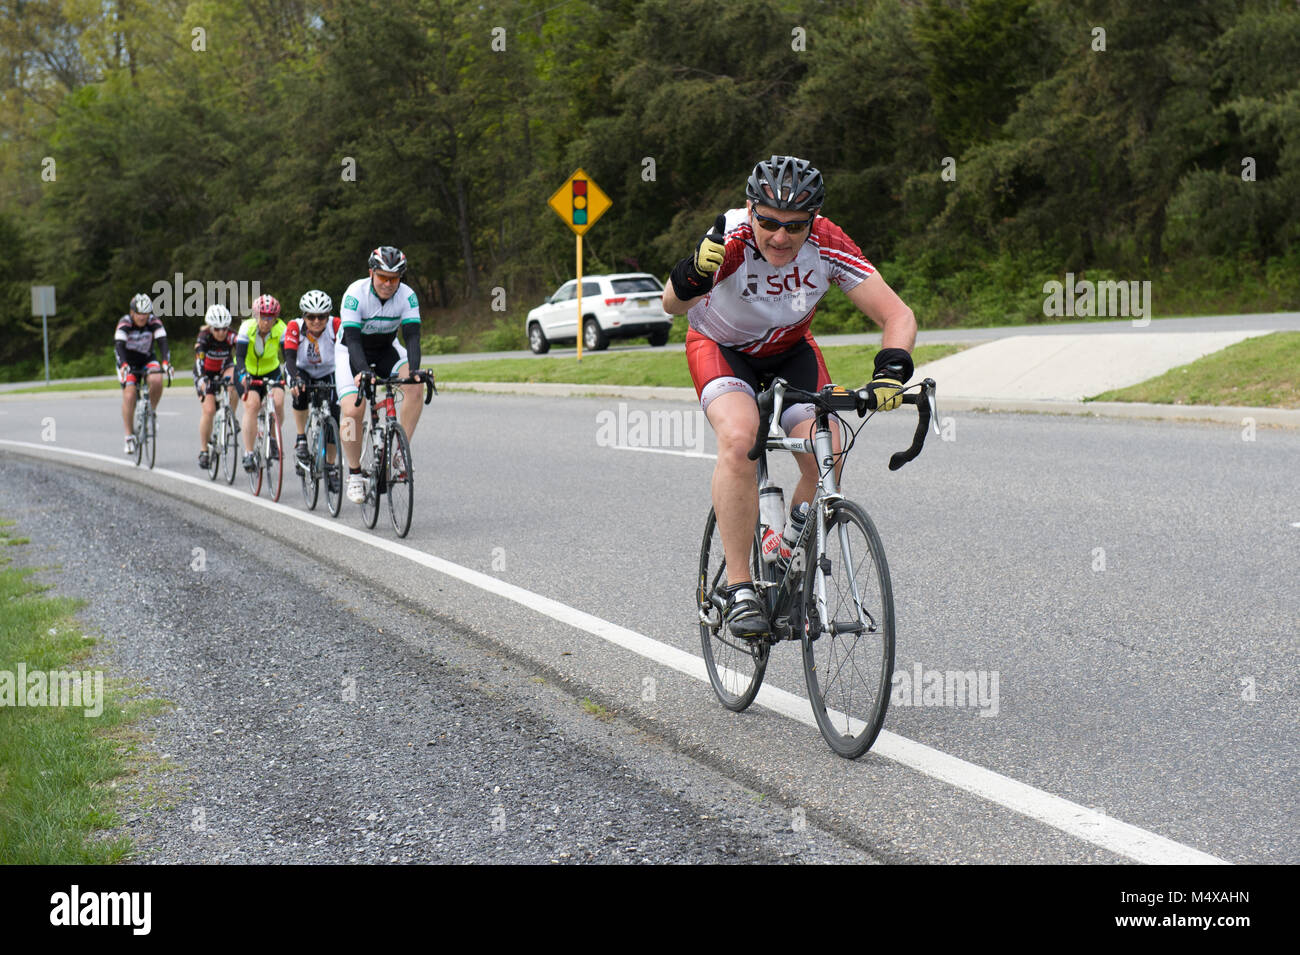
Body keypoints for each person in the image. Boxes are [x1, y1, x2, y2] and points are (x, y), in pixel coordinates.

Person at [661, 155, 917, 640]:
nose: (781, 237)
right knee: (740, 440)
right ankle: (739, 586)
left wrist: (891, 371)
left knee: (830, 450)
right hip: (721, 347)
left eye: (795, 226)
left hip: (790, 349)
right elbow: (671, 304)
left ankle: (784, 554)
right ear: (750, 210)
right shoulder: (731, 239)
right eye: (770, 223)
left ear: (813, 222)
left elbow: (897, 315)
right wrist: (693, 273)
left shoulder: (827, 243)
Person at [335, 246, 431, 504]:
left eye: (394, 278)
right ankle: (354, 473)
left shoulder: (407, 296)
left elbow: (412, 337)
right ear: (371, 273)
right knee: (353, 410)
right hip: (352, 352)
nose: (388, 283)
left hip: (386, 348)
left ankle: (400, 452)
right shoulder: (355, 294)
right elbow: (353, 341)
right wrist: (364, 372)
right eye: (383, 277)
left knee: (415, 385)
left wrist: (415, 370)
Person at [284, 289, 342, 486]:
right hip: (302, 369)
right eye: (311, 317)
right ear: (304, 316)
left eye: (322, 316)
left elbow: (348, 352)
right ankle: (301, 438)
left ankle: (331, 466)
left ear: (328, 316)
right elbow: (290, 359)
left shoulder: (336, 325)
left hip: (329, 370)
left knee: (335, 415)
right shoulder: (294, 326)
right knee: (299, 392)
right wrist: (295, 379)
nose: (316, 321)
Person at [233, 294, 288, 473]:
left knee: (279, 402)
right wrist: (242, 373)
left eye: (270, 318)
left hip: (271, 370)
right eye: (263, 317)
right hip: (247, 371)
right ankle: (249, 453)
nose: (266, 322)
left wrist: (288, 372)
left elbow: (287, 356)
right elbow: (239, 356)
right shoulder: (246, 328)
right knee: (252, 404)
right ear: (256, 316)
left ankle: (272, 438)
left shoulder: (281, 328)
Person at [115, 293, 172, 454]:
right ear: (132, 313)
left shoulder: (154, 322)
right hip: (128, 362)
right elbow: (119, 346)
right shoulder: (125, 323)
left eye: (146, 313)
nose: (142, 317)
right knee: (129, 394)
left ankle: (151, 412)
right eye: (139, 313)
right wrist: (124, 365)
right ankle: (128, 436)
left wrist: (166, 363)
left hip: (147, 358)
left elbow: (163, 343)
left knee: (157, 379)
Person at [193, 304, 240, 470]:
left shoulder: (231, 335)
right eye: (217, 329)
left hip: (224, 368)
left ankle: (230, 414)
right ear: (211, 327)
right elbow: (199, 361)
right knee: (209, 410)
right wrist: (202, 380)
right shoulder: (204, 337)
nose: (221, 332)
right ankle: (204, 450)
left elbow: (242, 350)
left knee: (235, 380)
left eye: (224, 329)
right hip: (205, 372)